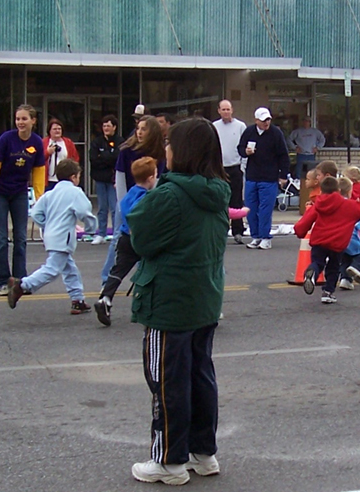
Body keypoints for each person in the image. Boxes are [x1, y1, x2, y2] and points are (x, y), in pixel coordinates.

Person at [125, 117, 229, 485]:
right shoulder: (218, 191)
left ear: (181, 151)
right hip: (204, 298)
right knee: (200, 377)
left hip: (170, 303)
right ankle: (203, 452)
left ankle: (168, 460)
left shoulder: (169, 194)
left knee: (168, 382)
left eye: (170, 143)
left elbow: (140, 238)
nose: (165, 149)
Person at [5, 159, 97, 315]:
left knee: (69, 269)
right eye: (78, 176)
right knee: (52, 269)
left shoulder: (50, 194)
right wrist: (91, 228)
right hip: (63, 237)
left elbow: (36, 213)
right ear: (73, 177)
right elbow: (84, 212)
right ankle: (22, 285)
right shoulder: (75, 192)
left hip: (50, 235)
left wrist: (47, 225)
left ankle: (78, 299)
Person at [0, 104, 47, 296]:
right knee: (1, 239)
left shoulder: (36, 142)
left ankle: (20, 282)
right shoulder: (6, 139)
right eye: (18, 119)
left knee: (20, 239)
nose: (20, 122)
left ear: (33, 121)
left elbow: (38, 171)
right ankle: (2, 282)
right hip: (1, 193)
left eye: (24, 119)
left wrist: (39, 198)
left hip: (20, 193)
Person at [294, 176, 360, 303]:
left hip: (319, 241)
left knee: (318, 262)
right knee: (333, 267)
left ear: (321, 191)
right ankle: (327, 292)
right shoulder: (348, 205)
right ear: (338, 190)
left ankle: (312, 272)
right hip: (337, 243)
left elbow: (305, 222)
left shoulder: (317, 205)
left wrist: (299, 232)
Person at [102, 115, 165, 285]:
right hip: (128, 200)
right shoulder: (127, 151)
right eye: (138, 129)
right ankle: (107, 280)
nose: (139, 132)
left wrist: (152, 204)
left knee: (145, 240)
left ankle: (144, 279)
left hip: (148, 202)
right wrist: (123, 205)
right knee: (118, 238)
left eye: (144, 129)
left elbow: (157, 181)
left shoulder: (159, 153)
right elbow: (120, 177)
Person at [95, 157, 157, 327]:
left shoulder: (130, 193)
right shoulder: (146, 197)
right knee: (150, 270)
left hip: (124, 238)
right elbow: (139, 214)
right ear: (150, 178)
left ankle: (105, 298)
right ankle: (147, 304)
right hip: (139, 239)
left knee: (118, 270)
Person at [238, 107, 289, 250]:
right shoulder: (249, 131)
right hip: (252, 176)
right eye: (263, 120)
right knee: (251, 208)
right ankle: (256, 236)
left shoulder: (276, 133)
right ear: (256, 120)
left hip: (269, 177)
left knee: (265, 209)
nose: (266, 123)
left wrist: (283, 175)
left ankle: (265, 237)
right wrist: (246, 152)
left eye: (268, 120)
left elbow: (283, 155)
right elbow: (240, 148)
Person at [212, 100, 247, 244]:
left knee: (236, 200)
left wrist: (242, 167)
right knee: (219, 199)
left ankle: (238, 231)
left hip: (235, 167)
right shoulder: (214, 126)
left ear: (232, 110)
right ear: (219, 111)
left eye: (228, 109)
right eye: (223, 109)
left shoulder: (240, 126)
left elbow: (245, 147)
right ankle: (220, 230)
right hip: (219, 168)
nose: (226, 112)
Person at [89, 115, 123, 246]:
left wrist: (103, 156)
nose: (106, 128)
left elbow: (117, 158)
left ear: (114, 127)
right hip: (100, 178)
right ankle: (101, 233)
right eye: (104, 126)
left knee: (114, 208)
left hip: (113, 180)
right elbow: (94, 159)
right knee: (102, 207)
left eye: (108, 125)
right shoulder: (97, 142)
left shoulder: (120, 141)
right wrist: (108, 158)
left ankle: (116, 233)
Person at [43, 118, 79, 191]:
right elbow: (38, 158)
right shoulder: (44, 142)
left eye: (59, 129)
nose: (57, 131)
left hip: (65, 179)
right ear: (49, 131)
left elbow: (75, 159)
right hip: (49, 179)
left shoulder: (68, 142)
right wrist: (47, 152)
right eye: (54, 129)